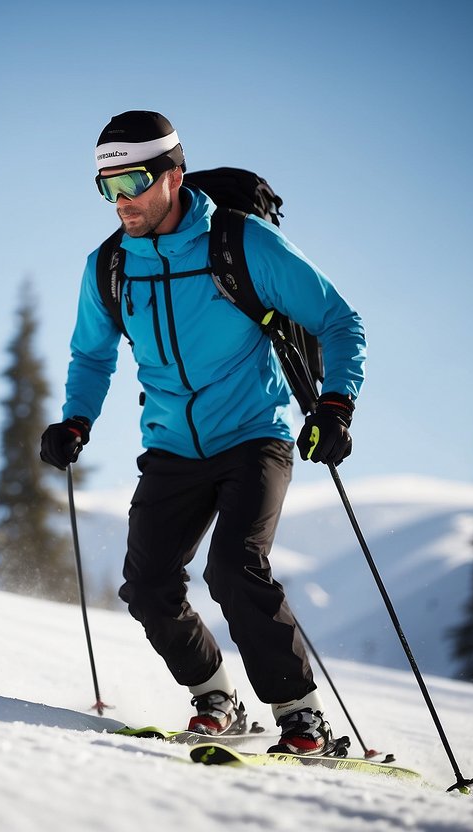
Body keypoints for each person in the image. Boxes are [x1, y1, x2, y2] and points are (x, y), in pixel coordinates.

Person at [40, 111, 366, 755]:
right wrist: (77, 418)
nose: (120, 200)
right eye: (105, 187)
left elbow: (339, 319)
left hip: (253, 434)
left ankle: (303, 718)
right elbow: (92, 354)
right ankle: (216, 698)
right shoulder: (108, 266)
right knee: (149, 585)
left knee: (234, 568)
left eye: (130, 181)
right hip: (171, 445)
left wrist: (335, 406)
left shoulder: (240, 243)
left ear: (173, 175)